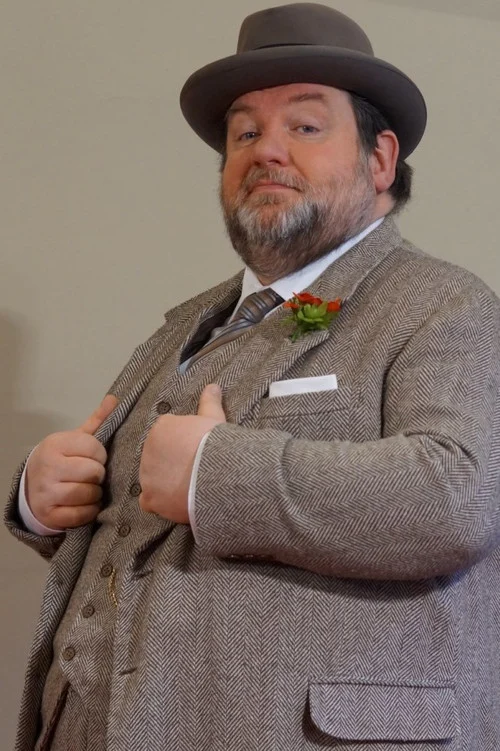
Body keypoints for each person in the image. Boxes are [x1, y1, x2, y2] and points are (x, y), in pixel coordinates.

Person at [5, 3, 500, 750]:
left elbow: (456, 498)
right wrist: (44, 499)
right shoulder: (183, 326)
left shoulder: (445, 303)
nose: (266, 150)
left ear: (380, 159)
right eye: (245, 133)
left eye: (305, 126)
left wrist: (216, 475)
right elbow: (142, 535)